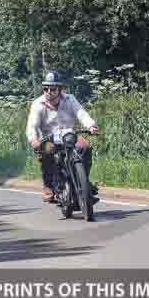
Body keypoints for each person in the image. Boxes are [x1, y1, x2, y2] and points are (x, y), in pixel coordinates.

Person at [26, 71, 100, 203]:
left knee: (85, 147)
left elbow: (81, 113)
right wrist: (33, 139)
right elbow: (32, 125)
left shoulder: (70, 99)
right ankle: (48, 186)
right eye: (45, 88)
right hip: (49, 138)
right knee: (47, 151)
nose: (48, 92)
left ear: (60, 89)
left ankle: (84, 182)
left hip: (69, 135)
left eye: (52, 89)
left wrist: (91, 126)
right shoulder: (38, 104)